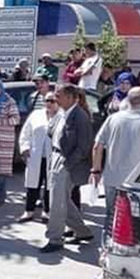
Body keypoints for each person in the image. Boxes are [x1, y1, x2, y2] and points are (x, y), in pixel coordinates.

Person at [91, 88, 140, 244]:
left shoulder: (113, 119)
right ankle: (128, 247)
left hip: (112, 177)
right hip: (138, 181)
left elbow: (97, 146)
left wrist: (96, 169)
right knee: (134, 219)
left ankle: (107, 246)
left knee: (110, 215)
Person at [41, 84, 95, 253]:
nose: (56, 98)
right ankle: (82, 231)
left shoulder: (80, 116)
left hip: (67, 161)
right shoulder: (61, 113)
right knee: (61, 198)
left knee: (56, 201)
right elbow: (51, 132)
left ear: (72, 98)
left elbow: (84, 146)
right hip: (57, 156)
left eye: (60, 95)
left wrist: (68, 163)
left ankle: (55, 238)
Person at [18, 92, 60, 223]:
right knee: (32, 184)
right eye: (47, 100)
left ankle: (47, 211)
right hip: (35, 156)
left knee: (50, 185)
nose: (49, 103)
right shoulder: (36, 115)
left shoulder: (61, 117)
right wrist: (24, 147)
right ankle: (29, 211)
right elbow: (26, 132)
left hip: (53, 156)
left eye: (52, 101)